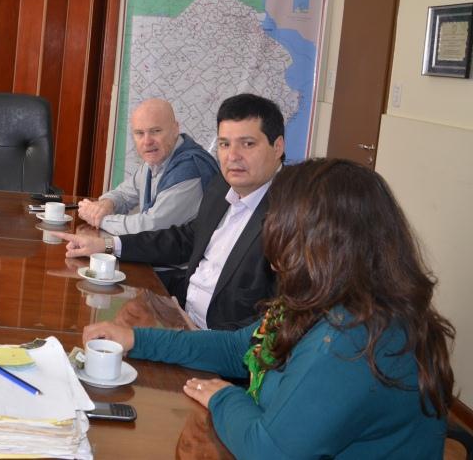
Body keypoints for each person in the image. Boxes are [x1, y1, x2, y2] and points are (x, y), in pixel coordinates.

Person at [83, 158, 455, 459]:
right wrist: (137, 338)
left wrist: (224, 396)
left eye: (282, 229)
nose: (271, 244)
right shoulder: (322, 299)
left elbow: (268, 450)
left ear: (324, 245)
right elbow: (239, 347)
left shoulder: (356, 338)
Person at [59, 93, 284, 330]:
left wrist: (183, 340)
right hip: (180, 311)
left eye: (247, 144)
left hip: (215, 339)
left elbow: (273, 320)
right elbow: (183, 239)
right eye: (224, 144)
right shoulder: (222, 187)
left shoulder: (292, 214)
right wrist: (107, 245)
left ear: (277, 147)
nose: (233, 156)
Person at [78, 98, 218, 234]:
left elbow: (151, 227)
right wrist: (107, 203)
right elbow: (123, 195)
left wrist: (100, 219)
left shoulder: (190, 168)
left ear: (175, 129)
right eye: (139, 133)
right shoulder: (154, 162)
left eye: (155, 131)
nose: (147, 141)